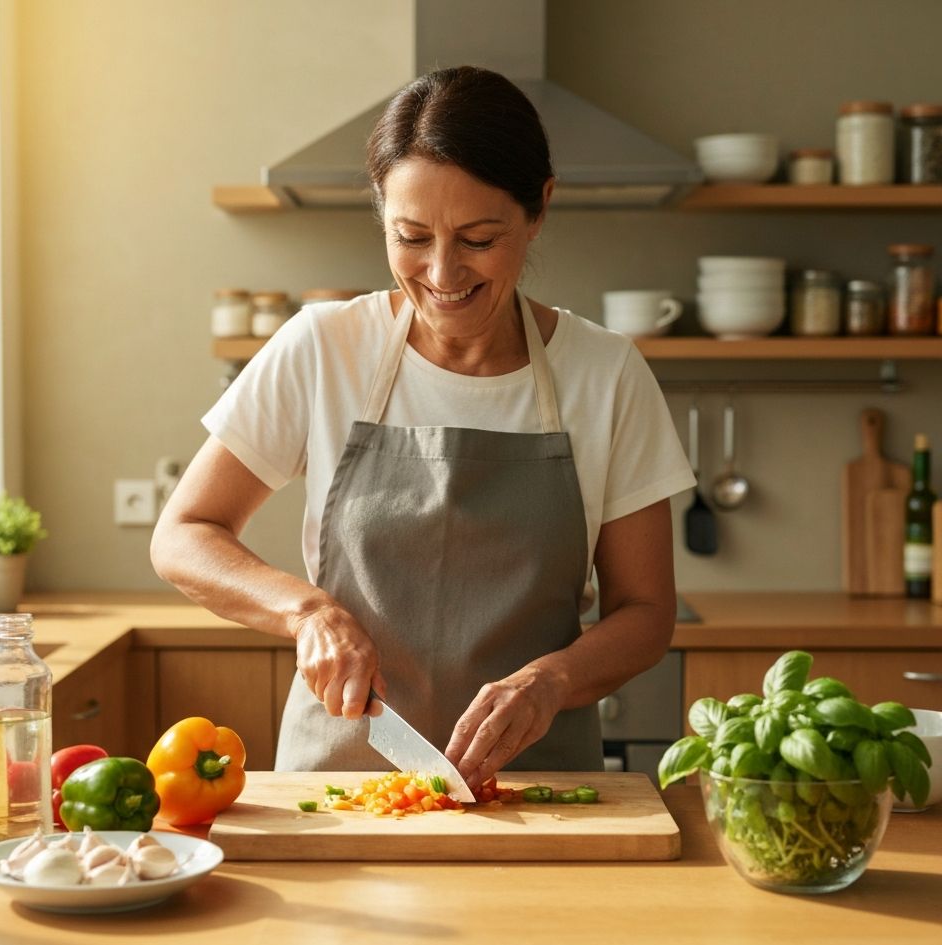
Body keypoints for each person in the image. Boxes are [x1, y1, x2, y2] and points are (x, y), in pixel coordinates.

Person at [150, 65, 695, 792]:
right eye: (411, 236)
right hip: (340, 790)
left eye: (478, 239)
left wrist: (551, 680)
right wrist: (304, 610)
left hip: (536, 794)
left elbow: (647, 611)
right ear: (381, 214)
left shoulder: (606, 374)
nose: (442, 272)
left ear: (539, 211)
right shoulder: (323, 348)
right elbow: (184, 534)